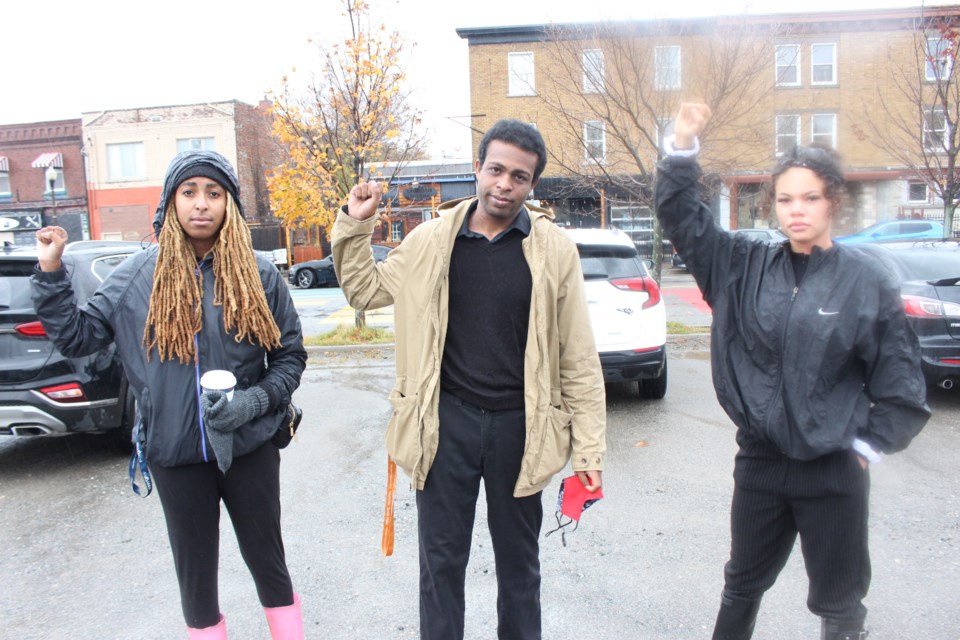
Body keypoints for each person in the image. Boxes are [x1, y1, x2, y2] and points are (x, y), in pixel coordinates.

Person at [656, 104, 931, 640]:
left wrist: (867, 447)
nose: (796, 210)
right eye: (784, 199)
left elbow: (901, 382)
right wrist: (682, 147)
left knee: (840, 599)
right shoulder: (740, 265)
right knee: (741, 585)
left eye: (810, 198)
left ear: (833, 202)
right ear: (771, 205)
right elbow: (681, 216)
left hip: (833, 468)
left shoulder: (865, 280)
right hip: (760, 463)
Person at [332, 119, 606, 640]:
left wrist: (589, 453)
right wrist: (354, 223)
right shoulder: (431, 240)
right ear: (477, 169)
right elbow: (364, 290)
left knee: (520, 572)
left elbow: (578, 360)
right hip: (444, 425)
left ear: (532, 185)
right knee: (440, 569)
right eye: (496, 169)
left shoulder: (553, 251)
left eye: (519, 177)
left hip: (521, 431)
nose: (504, 184)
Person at [31, 150, 307, 639]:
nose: (201, 204)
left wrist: (254, 402)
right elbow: (78, 337)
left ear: (230, 205)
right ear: (171, 202)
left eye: (214, 193)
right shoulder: (138, 276)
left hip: (249, 447)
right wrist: (51, 274)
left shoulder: (260, 275)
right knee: (195, 576)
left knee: (269, 561)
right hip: (174, 451)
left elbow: (289, 357)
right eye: (189, 192)